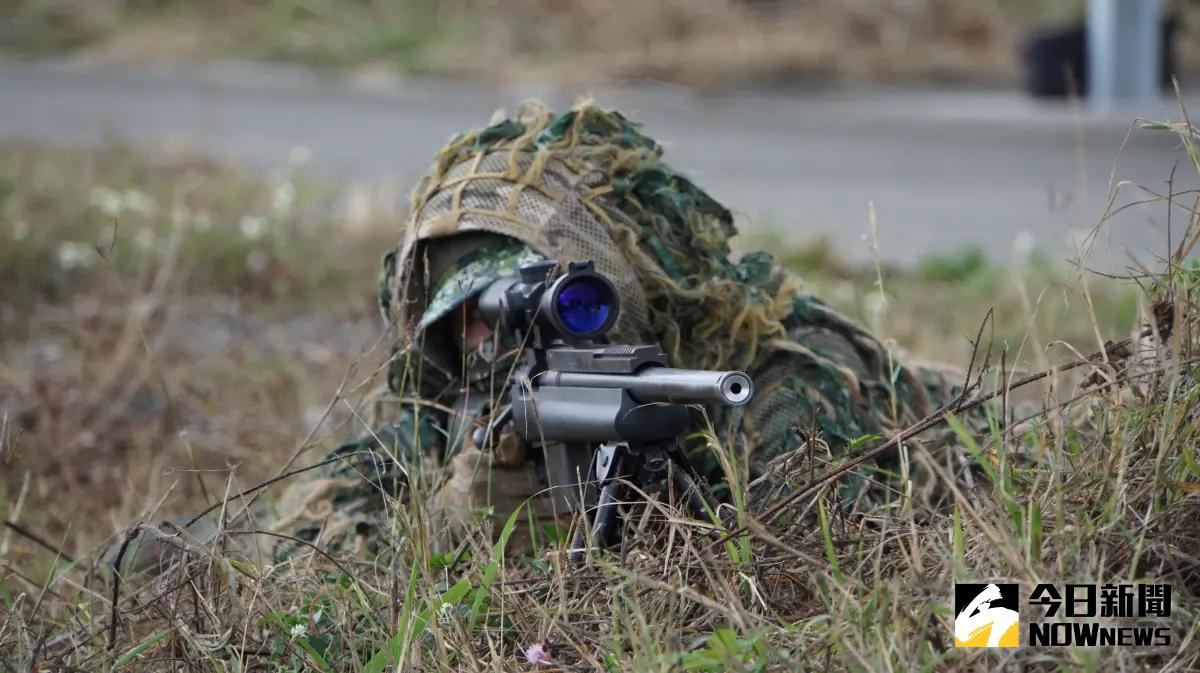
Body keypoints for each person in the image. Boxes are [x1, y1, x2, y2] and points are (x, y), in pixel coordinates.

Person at [270, 101, 973, 560]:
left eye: (505, 313)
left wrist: (637, 521)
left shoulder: (773, 382)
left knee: (1033, 617)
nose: (489, 341)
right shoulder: (473, 403)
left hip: (990, 458)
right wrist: (455, 522)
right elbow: (297, 532)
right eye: (463, 320)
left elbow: (821, 577)